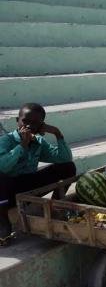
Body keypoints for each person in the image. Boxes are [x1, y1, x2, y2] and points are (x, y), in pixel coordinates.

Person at [0, 103, 76, 246]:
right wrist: (22, 145)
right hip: (6, 193)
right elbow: (3, 166)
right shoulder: (6, 141)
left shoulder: (39, 142)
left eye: (34, 123)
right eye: (25, 121)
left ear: (41, 125)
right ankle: (3, 222)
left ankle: (55, 208)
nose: (28, 126)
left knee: (68, 167)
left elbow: (64, 158)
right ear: (18, 120)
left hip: (28, 189)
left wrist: (57, 133)